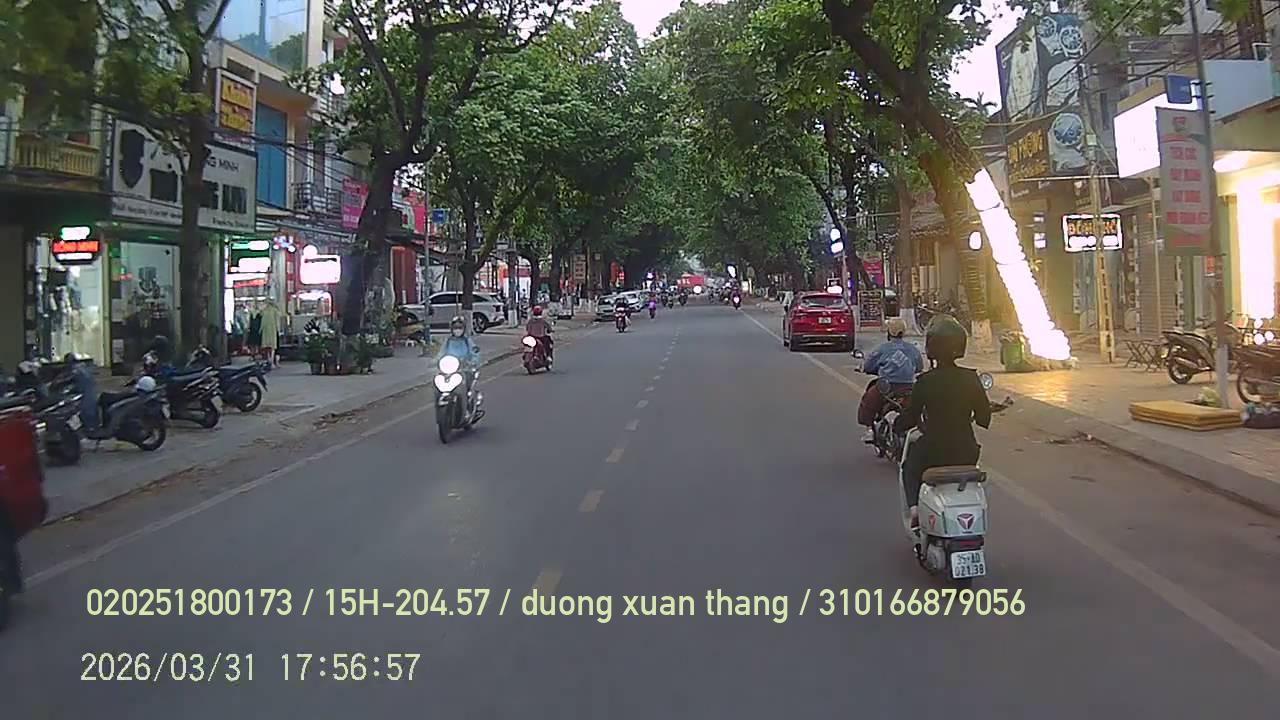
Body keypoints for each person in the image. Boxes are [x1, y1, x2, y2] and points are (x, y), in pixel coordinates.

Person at [892, 315, 992, 528]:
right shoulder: (971, 378)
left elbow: (911, 417)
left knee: (909, 468)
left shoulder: (925, 381)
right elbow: (984, 418)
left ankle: (915, 510)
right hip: (966, 450)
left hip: (932, 451)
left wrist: (897, 424)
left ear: (931, 347)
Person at [858, 317, 924, 442]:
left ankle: (870, 430)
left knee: (868, 401)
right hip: (908, 387)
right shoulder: (913, 349)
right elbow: (919, 367)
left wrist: (864, 368)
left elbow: (868, 365)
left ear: (889, 332)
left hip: (886, 387)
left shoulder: (883, 348)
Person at [438, 316, 481, 405]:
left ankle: (468, 401)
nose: (457, 330)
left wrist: (473, 361)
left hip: (464, 368)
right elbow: (441, 353)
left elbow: (474, 352)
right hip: (450, 369)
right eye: (455, 328)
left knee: (467, 382)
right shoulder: (448, 341)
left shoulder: (467, 340)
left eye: (460, 328)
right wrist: (436, 361)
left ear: (464, 329)